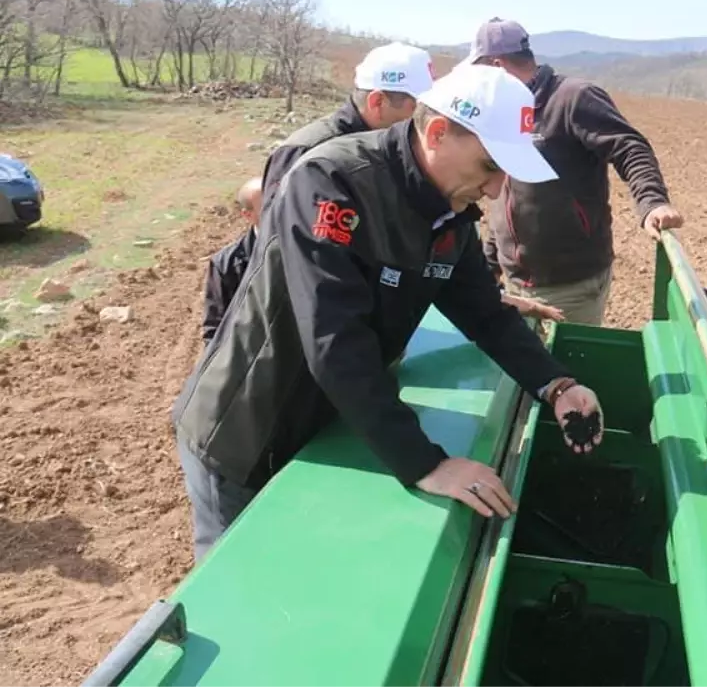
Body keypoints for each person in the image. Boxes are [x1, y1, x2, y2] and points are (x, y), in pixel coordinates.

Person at [169, 64, 605, 562]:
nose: (494, 190)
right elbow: (335, 340)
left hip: (330, 422)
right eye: (489, 166)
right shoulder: (332, 182)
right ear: (437, 133)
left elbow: (485, 312)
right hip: (250, 426)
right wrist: (426, 463)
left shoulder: (447, 214)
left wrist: (556, 385)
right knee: (240, 571)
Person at [463, 18, 685, 325]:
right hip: (513, 279)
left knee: (559, 355)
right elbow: (509, 195)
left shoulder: (572, 98)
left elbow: (629, 147)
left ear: (497, 66)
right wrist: (492, 259)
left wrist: (653, 202)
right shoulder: (504, 110)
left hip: (567, 285)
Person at [259, 41, 436, 212]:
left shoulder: (401, 154)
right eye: (418, 109)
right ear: (377, 103)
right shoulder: (305, 154)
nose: (424, 120)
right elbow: (278, 229)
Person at [200, 176, 262, 343]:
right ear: (248, 215)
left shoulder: (304, 248)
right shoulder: (225, 265)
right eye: (267, 206)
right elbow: (215, 329)